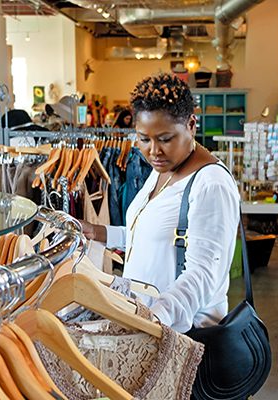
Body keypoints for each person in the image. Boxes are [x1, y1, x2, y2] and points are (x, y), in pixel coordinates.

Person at [80, 74, 240, 333]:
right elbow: (155, 237)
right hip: (146, 324)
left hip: (181, 334)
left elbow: (202, 275)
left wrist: (151, 319)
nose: (154, 151)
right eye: (144, 139)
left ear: (191, 125)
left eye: (165, 139)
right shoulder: (163, 169)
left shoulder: (211, 184)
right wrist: (100, 233)